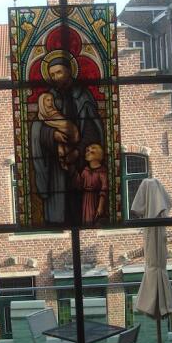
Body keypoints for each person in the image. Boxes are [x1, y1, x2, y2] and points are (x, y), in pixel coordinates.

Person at [31, 57, 104, 225]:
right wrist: (52, 135)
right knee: (58, 215)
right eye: (52, 75)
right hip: (56, 168)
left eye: (59, 72)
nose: (55, 77)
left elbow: (93, 130)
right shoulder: (49, 97)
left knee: (82, 211)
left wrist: (77, 152)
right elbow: (36, 128)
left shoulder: (82, 96)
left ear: (69, 71)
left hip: (81, 164)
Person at [36, 92, 80, 170]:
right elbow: (37, 133)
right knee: (61, 151)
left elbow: (63, 122)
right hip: (55, 148)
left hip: (70, 136)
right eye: (48, 100)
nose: (50, 102)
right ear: (42, 102)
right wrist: (53, 133)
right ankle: (62, 162)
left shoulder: (56, 113)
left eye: (51, 100)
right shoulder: (41, 117)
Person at [71, 143, 108, 225]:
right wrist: (75, 174)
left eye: (91, 151)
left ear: (97, 155)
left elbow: (104, 189)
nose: (87, 153)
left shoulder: (102, 171)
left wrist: (100, 206)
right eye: (87, 151)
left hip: (96, 199)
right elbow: (79, 185)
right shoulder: (85, 171)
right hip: (86, 199)